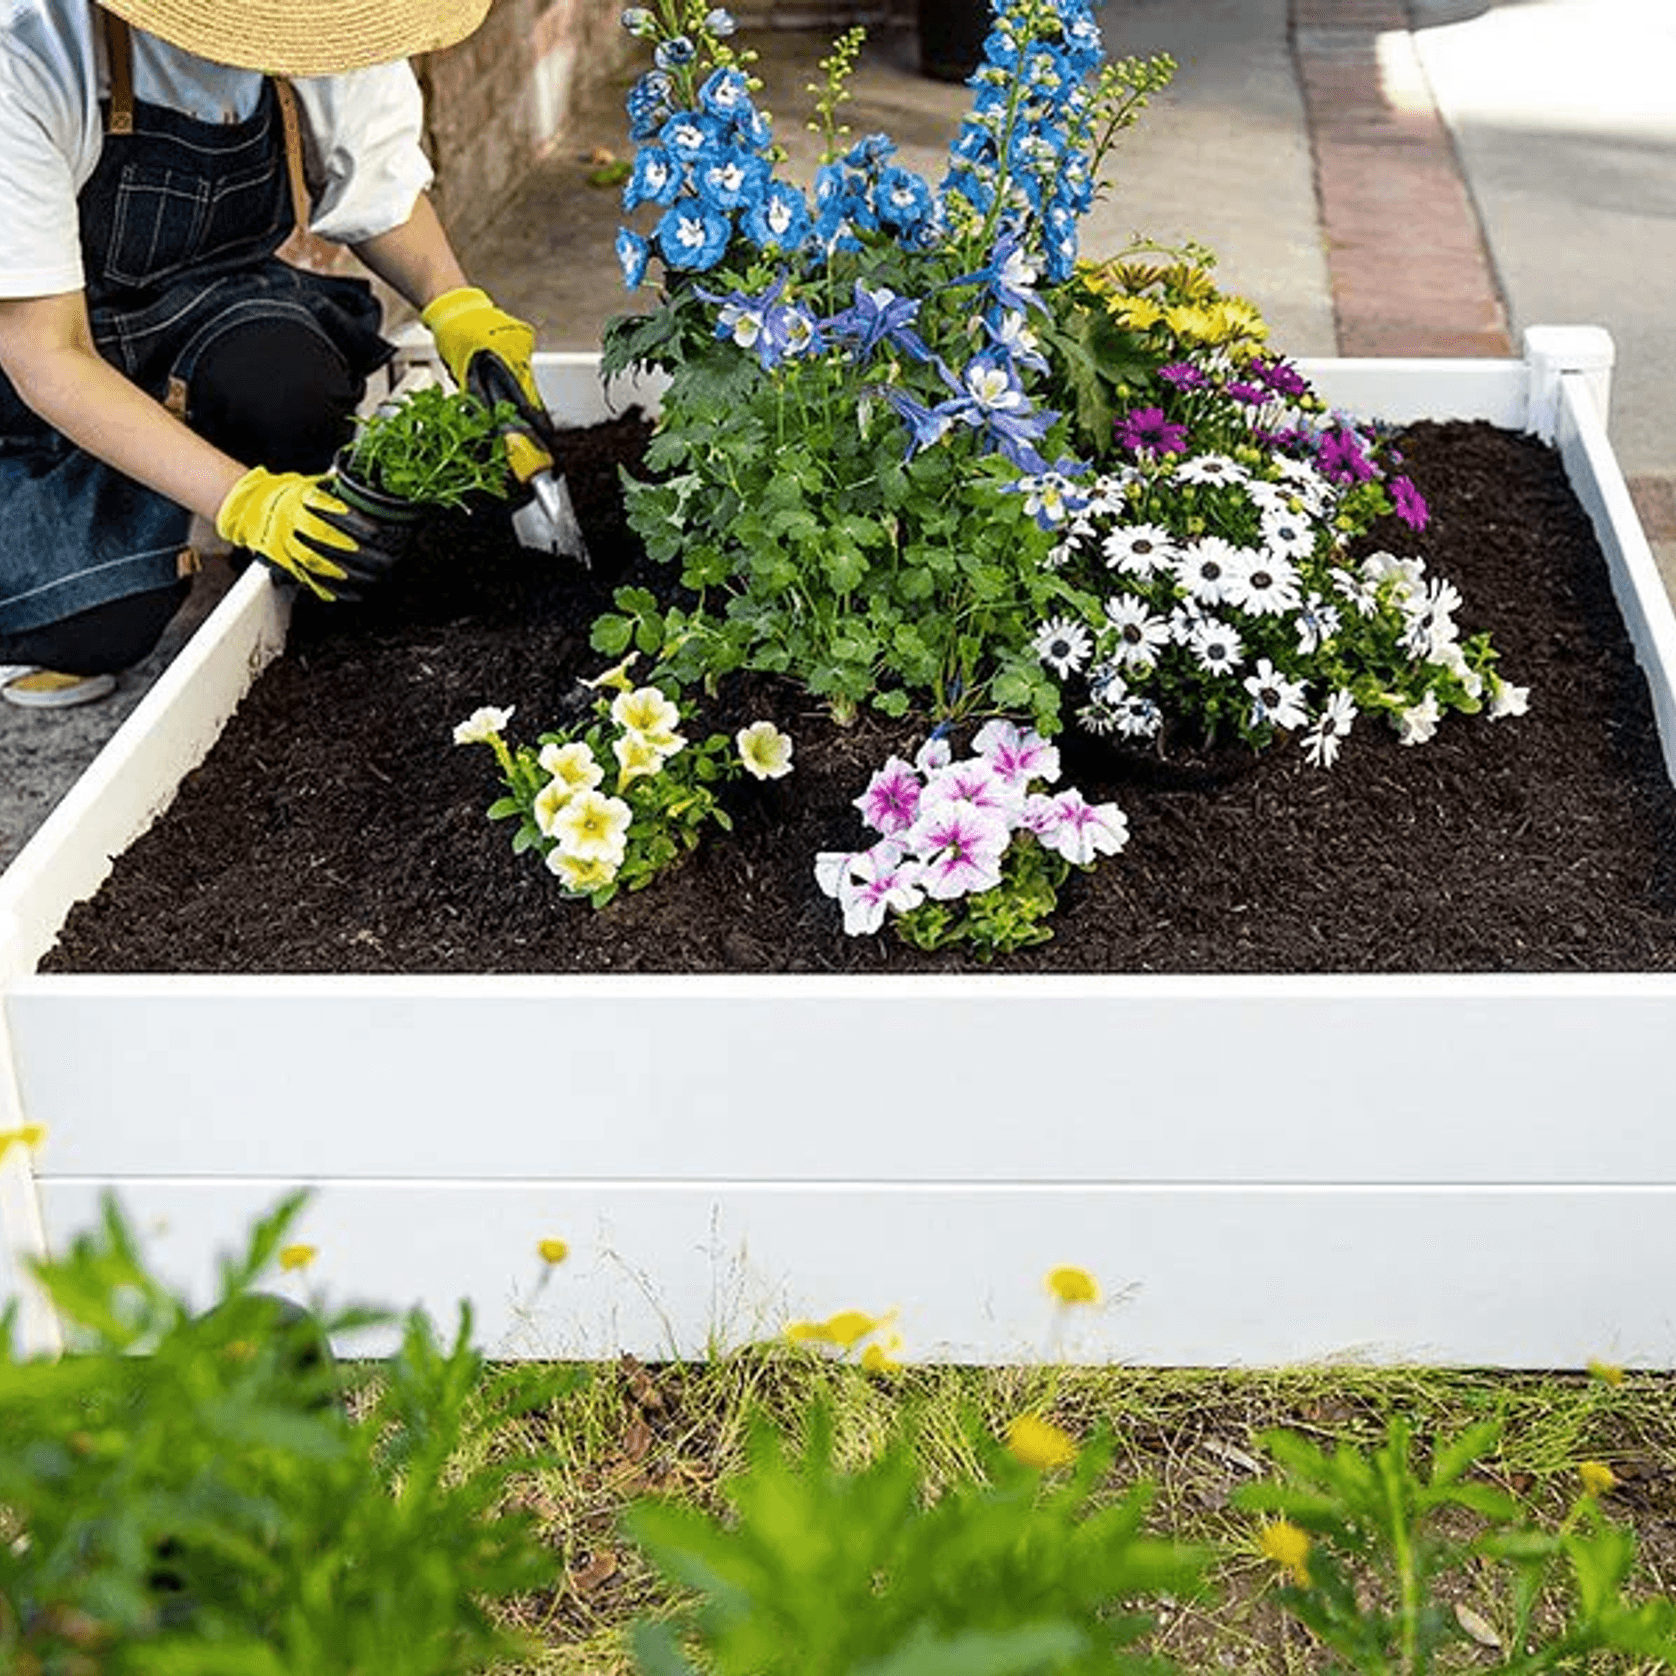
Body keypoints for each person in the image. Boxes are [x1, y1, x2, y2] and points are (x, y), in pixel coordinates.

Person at [0, 0, 555, 708]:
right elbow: (48, 356)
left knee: (289, 387)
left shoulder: (324, 15)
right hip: (33, 357)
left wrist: (456, 306)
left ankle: (241, 551)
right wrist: (248, 501)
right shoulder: (27, 50)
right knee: (91, 621)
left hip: (205, 300)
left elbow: (378, 186)